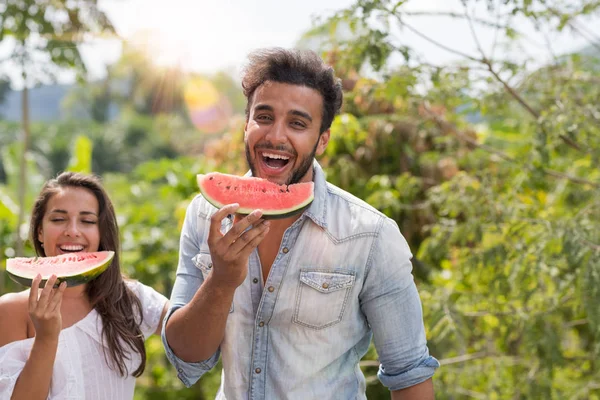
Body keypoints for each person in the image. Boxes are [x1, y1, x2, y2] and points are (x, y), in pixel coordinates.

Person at [163, 48, 439, 399]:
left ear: (322, 139)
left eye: (297, 123)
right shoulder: (205, 215)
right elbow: (187, 358)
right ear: (246, 123)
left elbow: (410, 375)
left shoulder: (371, 235)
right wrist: (221, 281)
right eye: (263, 116)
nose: (276, 136)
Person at [0, 172, 169, 400]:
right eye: (58, 219)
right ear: (40, 232)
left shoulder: (129, 296)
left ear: (101, 233)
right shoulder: (11, 310)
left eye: (88, 221)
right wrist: (46, 337)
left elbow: (189, 336)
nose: (73, 231)